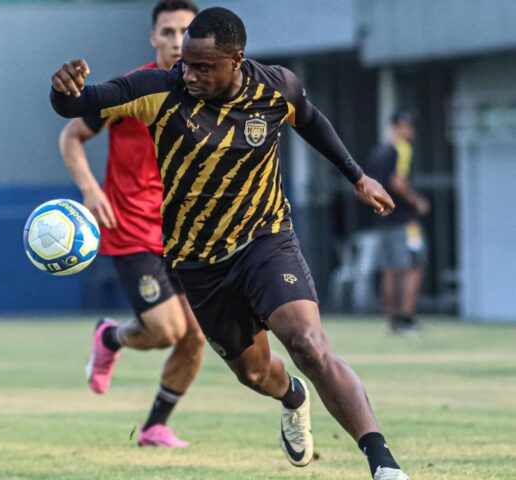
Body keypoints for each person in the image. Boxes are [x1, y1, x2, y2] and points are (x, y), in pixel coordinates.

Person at [49, 7, 409, 480]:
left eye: (202, 66)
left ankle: (382, 463)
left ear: (236, 59)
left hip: (265, 241)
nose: (188, 73)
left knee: (308, 343)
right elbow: (80, 107)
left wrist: (358, 177)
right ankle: (292, 397)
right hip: (199, 264)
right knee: (256, 374)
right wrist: (64, 91)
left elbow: (312, 120)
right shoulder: (159, 89)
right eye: (185, 64)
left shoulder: (277, 87)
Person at [59, 0, 204, 448]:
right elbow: (71, 136)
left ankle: (155, 426)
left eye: (186, 31)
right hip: (132, 230)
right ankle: (111, 336)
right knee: (165, 331)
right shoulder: (133, 89)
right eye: (168, 32)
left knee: (198, 336)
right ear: (153, 38)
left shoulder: (209, 93)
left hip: (184, 232)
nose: (177, 41)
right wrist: (90, 190)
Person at [368, 111, 430, 334]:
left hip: (384, 220)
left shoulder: (378, 152)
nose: (411, 131)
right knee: (414, 266)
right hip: (405, 220)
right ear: (399, 127)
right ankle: (406, 319)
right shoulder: (401, 148)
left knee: (390, 270)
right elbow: (398, 182)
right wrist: (417, 201)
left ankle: (393, 320)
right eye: (409, 126)